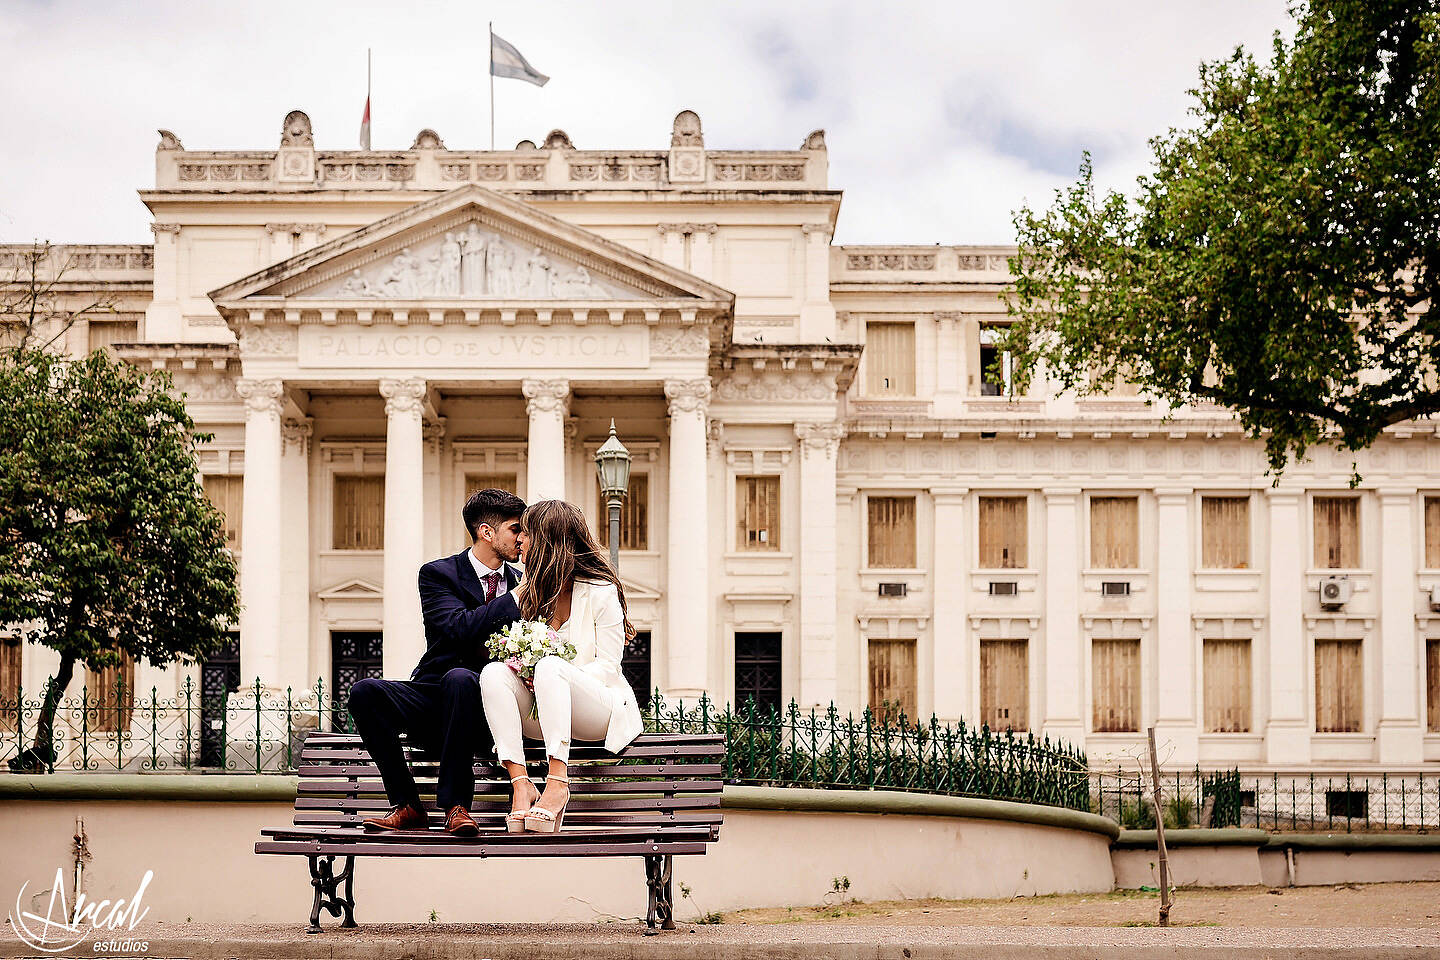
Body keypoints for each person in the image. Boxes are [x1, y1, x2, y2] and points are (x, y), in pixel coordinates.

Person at [347, 488, 526, 836]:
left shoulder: (524, 583)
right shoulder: (439, 574)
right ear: (486, 532)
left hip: (488, 707)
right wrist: (516, 597)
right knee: (365, 692)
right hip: (435, 695)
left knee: (462, 678)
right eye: (516, 529)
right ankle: (407, 805)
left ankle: (456, 808)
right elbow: (457, 628)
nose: (523, 538)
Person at [479, 499, 644, 833]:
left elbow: (609, 667)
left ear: (547, 539)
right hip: (546, 712)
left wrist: (552, 676)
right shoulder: (530, 593)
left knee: (550, 667)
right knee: (494, 672)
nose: (519, 540)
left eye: (526, 532)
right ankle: (522, 784)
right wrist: (527, 674)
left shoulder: (601, 591)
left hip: (598, 709)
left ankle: (557, 783)